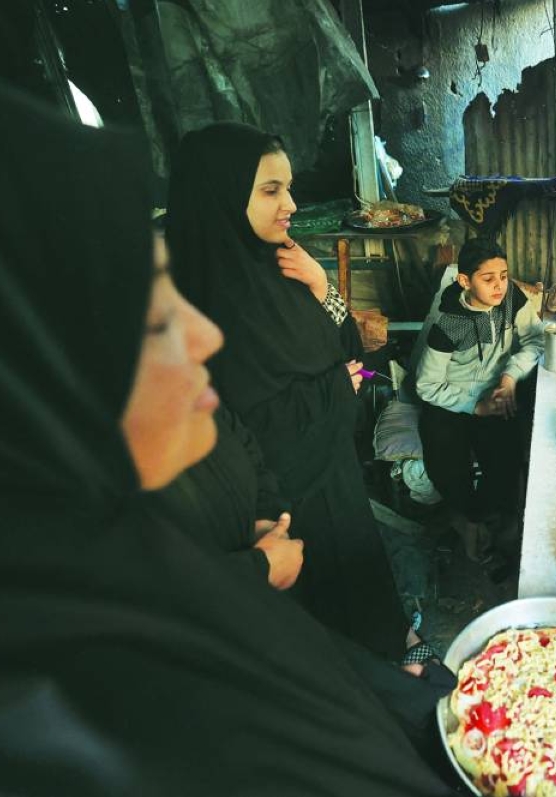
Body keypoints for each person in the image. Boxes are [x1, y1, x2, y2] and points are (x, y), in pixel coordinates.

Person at [0, 54, 454, 795]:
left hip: (311, 502)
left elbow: (313, 388)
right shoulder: (76, 707)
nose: (198, 341)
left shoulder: (138, 575)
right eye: (153, 322)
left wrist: (326, 303)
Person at [165, 122, 413, 661]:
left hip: (334, 475)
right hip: (285, 508)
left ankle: (395, 651)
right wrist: (332, 390)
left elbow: (349, 346)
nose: (292, 205)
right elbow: (244, 431)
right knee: (329, 627)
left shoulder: (281, 264)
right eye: (271, 190)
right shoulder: (201, 306)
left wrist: (323, 286)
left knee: (365, 595)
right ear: (223, 196)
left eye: (289, 187)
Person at [414, 237, 544, 562]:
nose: (499, 286)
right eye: (488, 279)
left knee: (506, 457)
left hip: (495, 391)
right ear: (465, 281)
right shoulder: (450, 325)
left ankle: (493, 520)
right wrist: (474, 406)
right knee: (446, 463)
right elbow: (427, 385)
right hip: (450, 400)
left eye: (503, 275)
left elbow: (536, 339)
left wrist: (510, 375)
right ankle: (466, 522)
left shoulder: (512, 299)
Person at [138, 401, 305, 591]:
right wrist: (259, 567)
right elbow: (144, 595)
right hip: (237, 602)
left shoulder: (178, 388)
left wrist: (264, 514)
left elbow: (244, 442)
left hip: (271, 552)